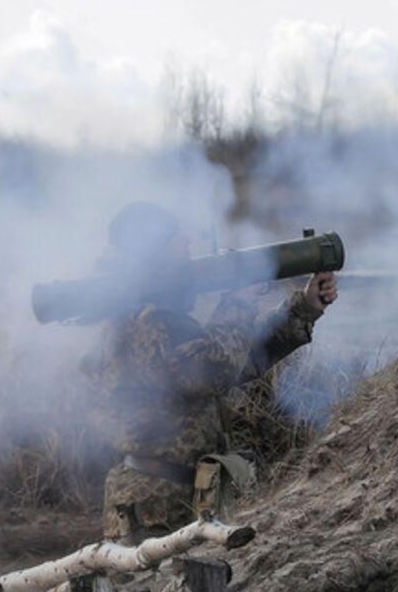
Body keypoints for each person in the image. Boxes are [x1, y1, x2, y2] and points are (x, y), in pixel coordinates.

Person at [85, 201, 338, 544]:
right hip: (155, 504)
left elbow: (235, 364)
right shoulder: (147, 321)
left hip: (171, 494)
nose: (190, 257)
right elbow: (214, 370)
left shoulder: (153, 315)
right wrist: (239, 302)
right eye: (181, 247)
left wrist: (303, 309)